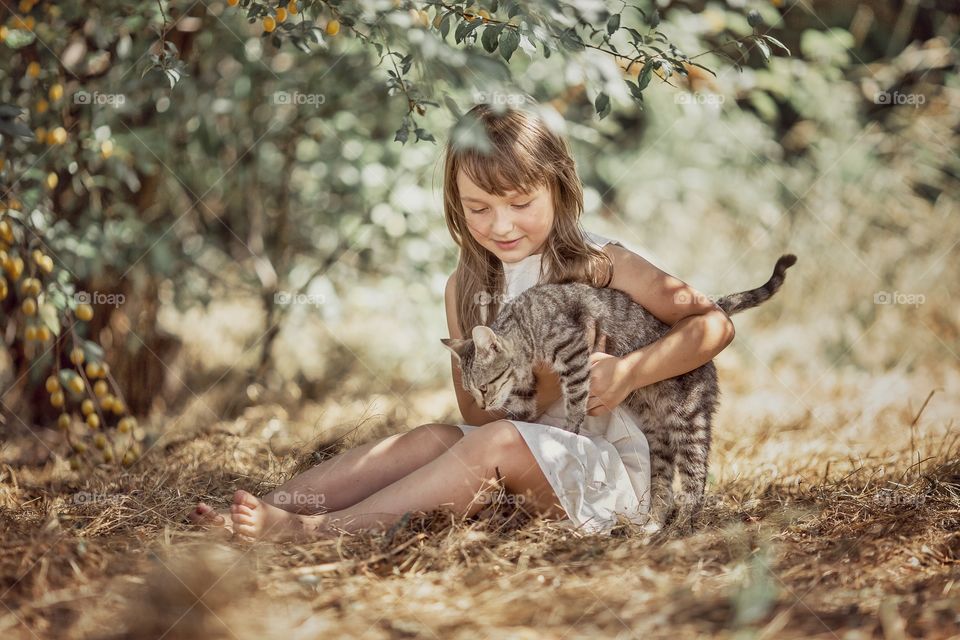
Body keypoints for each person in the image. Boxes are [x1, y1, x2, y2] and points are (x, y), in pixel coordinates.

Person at [188, 101, 735, 541]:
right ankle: (269, 506)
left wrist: (629, 374)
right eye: (479, 208)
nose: (501, 225)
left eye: (521, 202)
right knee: (432, 438)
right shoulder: (468, 287)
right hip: (529, 451)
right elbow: (475, 408)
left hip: (617, 472)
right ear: (456, 203)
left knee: (495, 443)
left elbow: (712, 325)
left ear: (560, 188)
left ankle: (317, 530)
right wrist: (543, 377)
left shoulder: (598, 262)